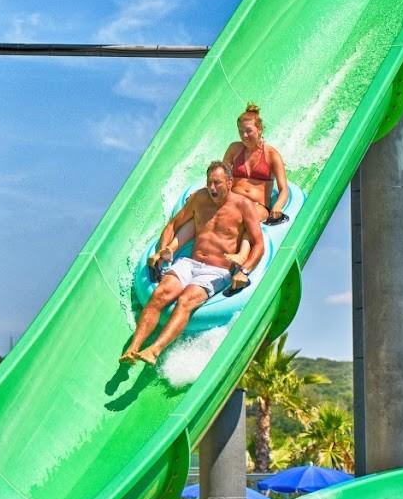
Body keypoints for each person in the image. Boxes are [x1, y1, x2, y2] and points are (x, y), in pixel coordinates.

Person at [123, 162, 264, 365]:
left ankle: (154, 350)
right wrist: (160, 251)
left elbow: (258, 244)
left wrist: (244, 270)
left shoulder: (243, 205)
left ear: (230, 182)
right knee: (160, 294)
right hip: (190, 263)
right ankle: (133, 348)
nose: (212, 188)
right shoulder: (199, 198)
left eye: (217, 183)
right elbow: (174, 224)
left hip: (217, 270)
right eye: (209, 183)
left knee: (186, 300)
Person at [222, 103, 289, 224]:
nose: (244, 136)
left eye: (248, 131)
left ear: (259, 129)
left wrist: (277, 206)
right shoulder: (234, 149)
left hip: (257, 206)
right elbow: (221, 177)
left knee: (240, 219)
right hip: (232, 201)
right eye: (241, 131)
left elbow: (284, 189)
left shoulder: (272, 155)